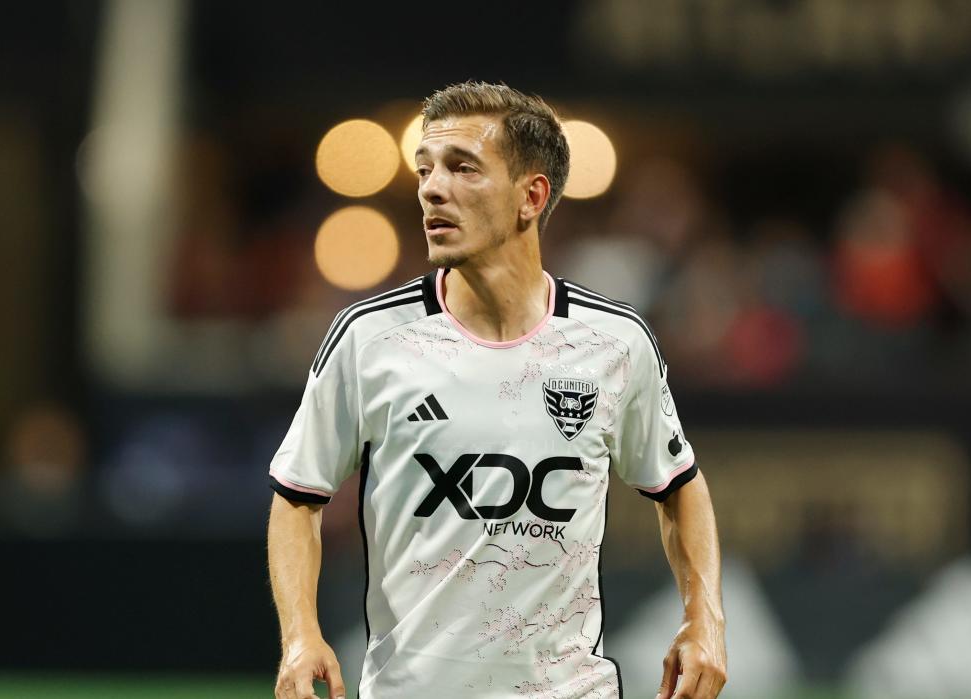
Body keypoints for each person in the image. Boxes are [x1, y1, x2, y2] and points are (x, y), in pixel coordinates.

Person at [266, 81, 727, 699]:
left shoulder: (614, 344)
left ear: (531, 196)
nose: (432, 188)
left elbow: (678, 487)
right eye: (425, 170)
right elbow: (298, 495)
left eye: (463, 168)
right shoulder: (370, 339)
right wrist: (300, 635)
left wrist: (705, 620)